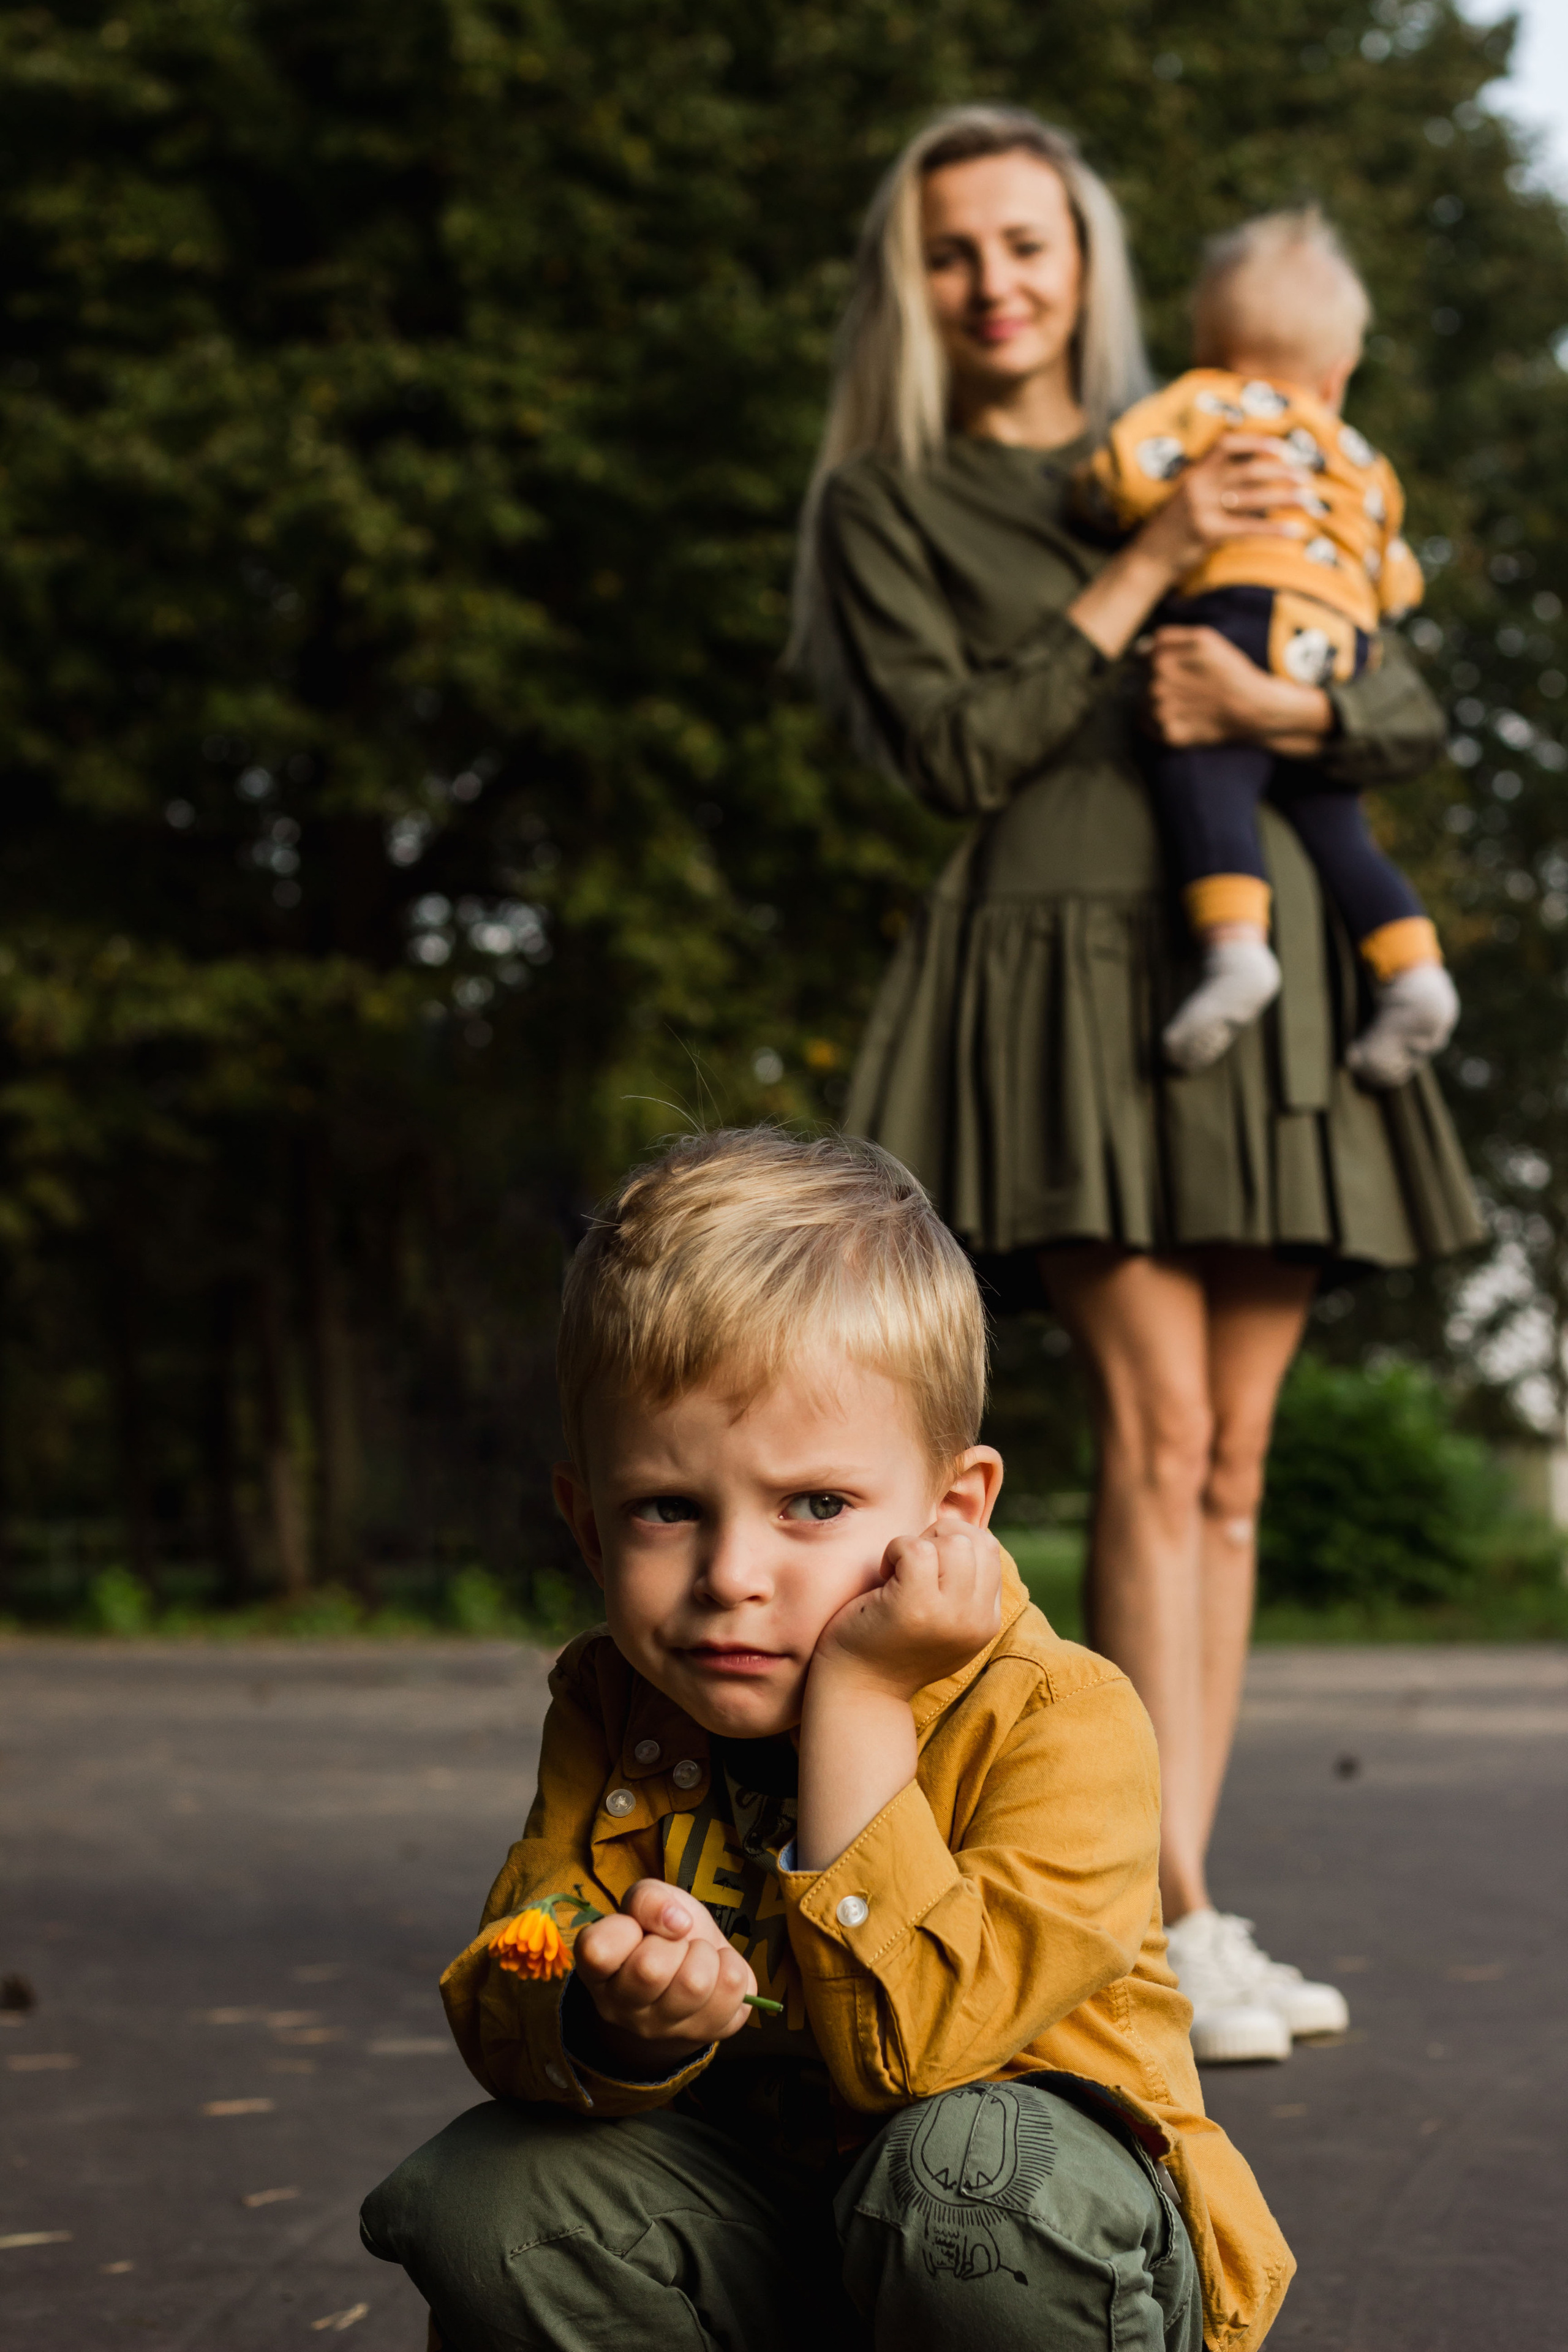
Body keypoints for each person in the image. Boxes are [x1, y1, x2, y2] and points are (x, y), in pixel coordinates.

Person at [791, 105, 1483, 2063]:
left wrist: (1296, 705)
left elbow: (1402, 677)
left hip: (1258, 956)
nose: (998, 283)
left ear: (1085, 257)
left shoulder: (1215, 412)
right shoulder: (900, 500)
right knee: (1155, 1419)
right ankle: (1141, 1908)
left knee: (1236, 1457)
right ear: (909, 287)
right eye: (955, 252)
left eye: (1031, 243)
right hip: (1063, 973)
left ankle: (1193, 1888)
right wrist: (1149, 566)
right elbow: (953, 748)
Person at [361, 1128, 1293, 2352]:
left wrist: (857, 1696)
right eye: (667, 1509)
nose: (731, 1576)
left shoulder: (1063, 1719)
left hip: (1016, 2269)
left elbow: (914, 2053)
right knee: (497, 2199)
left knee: (965, 2185)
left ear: (950, 1511)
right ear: (588, 1529)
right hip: (776, 2236)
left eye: (814, 1505)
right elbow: (511, 1968)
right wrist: (611, 2022)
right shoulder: (611, 1707)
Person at [1077, 206, 1459, 1086]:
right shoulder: (1363, 458)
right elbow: (1399, 580)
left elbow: (1129, 471)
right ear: (1340, 373)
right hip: (1339, 641)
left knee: (1202, 765)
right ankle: (1415, 972)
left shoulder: (1212, 400)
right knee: (1338, 823)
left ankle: (1237, 952)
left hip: (1241, 608)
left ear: (1210, 345)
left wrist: (1088, 498)